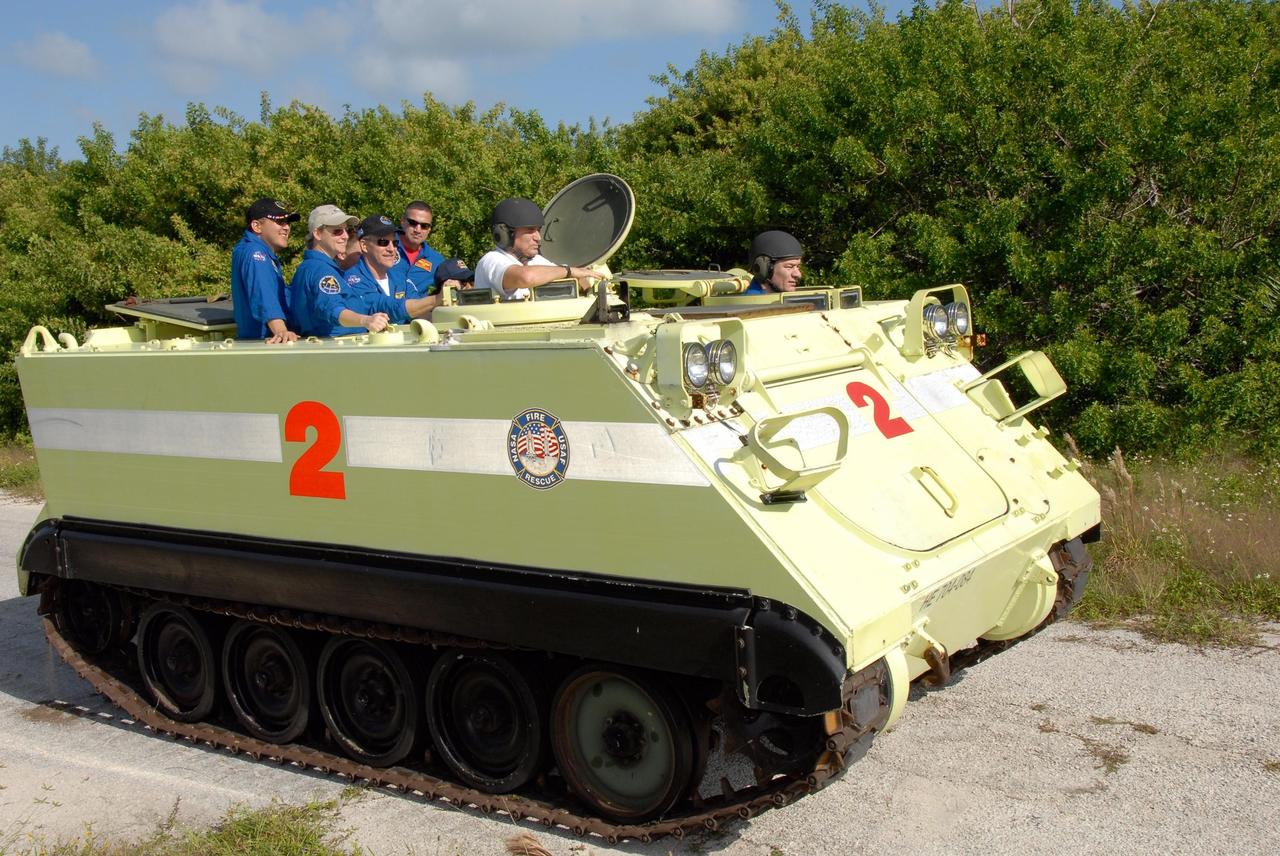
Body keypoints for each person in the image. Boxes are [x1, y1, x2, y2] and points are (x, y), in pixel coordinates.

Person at [288, 205, 396, 337]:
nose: (345, 236)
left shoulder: (317, 267)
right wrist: (366, 320)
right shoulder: (320, 269)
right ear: (317, 234)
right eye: (337, 231)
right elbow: (333, 309)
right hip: (331, 349)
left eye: (347, 230)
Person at [474, 197, 601, 300]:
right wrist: (568, 271)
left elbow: (568, 278)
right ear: (504, 234)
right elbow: (526, 278)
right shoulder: (491, 260)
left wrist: (587, 278)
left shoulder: (535, 261)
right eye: (530, 230)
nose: (538, 237)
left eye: (538, 230)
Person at [343, 214, 441, 325]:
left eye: (395, 243)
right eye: (383, 242)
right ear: (364, 246)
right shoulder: (352, 280)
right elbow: (386, 308)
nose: (391, 249)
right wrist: (437, 299)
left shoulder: (399, 277)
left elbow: (419, 310)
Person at [231, 197, 299, 342]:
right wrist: (281, 331)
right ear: (257, 226)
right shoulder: (255, 253)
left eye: (287, 222)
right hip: (262, 342)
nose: (286, 227)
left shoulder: (263, 254)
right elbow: (263, 294)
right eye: (280, 221)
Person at [395, 201, 447, 295]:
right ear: (402, 221)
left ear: (429, 229)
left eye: (424, 226)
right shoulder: (382, 247)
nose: (418, 230)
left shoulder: (437, 261)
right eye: (412, 223)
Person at [744, 230, 804, 294]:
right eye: (789, 267)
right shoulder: (750, 303)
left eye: (798, 267)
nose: (798, 274)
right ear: (763, 269)